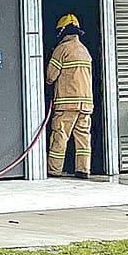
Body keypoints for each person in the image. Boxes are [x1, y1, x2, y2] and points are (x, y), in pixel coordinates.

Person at [46, 14, 94, 176]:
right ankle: (83, 170)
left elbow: (50, 76)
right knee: (83, 138)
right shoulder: (84, 51)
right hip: (85, 104)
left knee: (60, 136)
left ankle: (54, 170)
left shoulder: (62, 49)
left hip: (67, 104)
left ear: (62, 31)